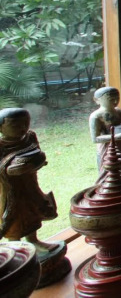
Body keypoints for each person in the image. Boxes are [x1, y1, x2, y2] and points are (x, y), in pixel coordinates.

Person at [0, 108, 61, 255]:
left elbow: (38, 154)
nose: (22, 128)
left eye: (26, 123)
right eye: (15, 125)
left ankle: (33, 240)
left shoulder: (30, 137)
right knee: (14, 217)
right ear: (1, 127)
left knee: (33, 210)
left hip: (29, 183)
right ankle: (16, 247)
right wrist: (10, 170)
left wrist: (36, 163)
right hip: (9, 190)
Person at [89, 87, 121, 181]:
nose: (115, 101)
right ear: (97, 100)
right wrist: (116, 137)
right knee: (110, 172)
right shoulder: (96, 116)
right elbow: (95, 139)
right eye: (111, 99)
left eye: (117, 98)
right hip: (108, 148)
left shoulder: (119, 112)